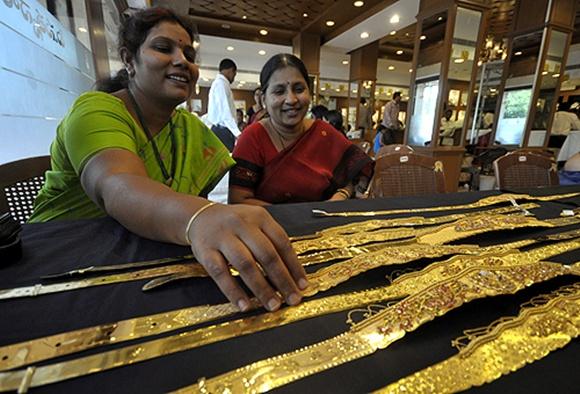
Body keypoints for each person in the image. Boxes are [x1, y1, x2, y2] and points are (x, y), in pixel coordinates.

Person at [28, 7, 307, 312]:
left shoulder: (189, 130)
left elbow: (181, 218)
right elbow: (118, 186)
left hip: (144, 265)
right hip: (57, 266)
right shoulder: (94, 110)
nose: (182, 61)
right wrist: (200, 216)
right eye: (163, 48)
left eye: (189, 53)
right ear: (128, 59)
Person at [228, 53, 373, 205]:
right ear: (264, 99)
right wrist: (299, 216)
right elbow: (239, 200)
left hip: (326, 222)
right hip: (267, 226)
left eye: (299, 89)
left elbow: (353, 174)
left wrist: (341, 195)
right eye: (279, 91)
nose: (291, 100)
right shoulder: (252, 138)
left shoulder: (324, 133)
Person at [206, 58, 240, 151]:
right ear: (230, 71)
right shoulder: (221, 84)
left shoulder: (220, 84)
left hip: (222, 130)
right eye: (234, 74)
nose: (234, 78)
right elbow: (225, 111)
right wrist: (237, 133)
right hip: (222, 131)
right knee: (225, 163)